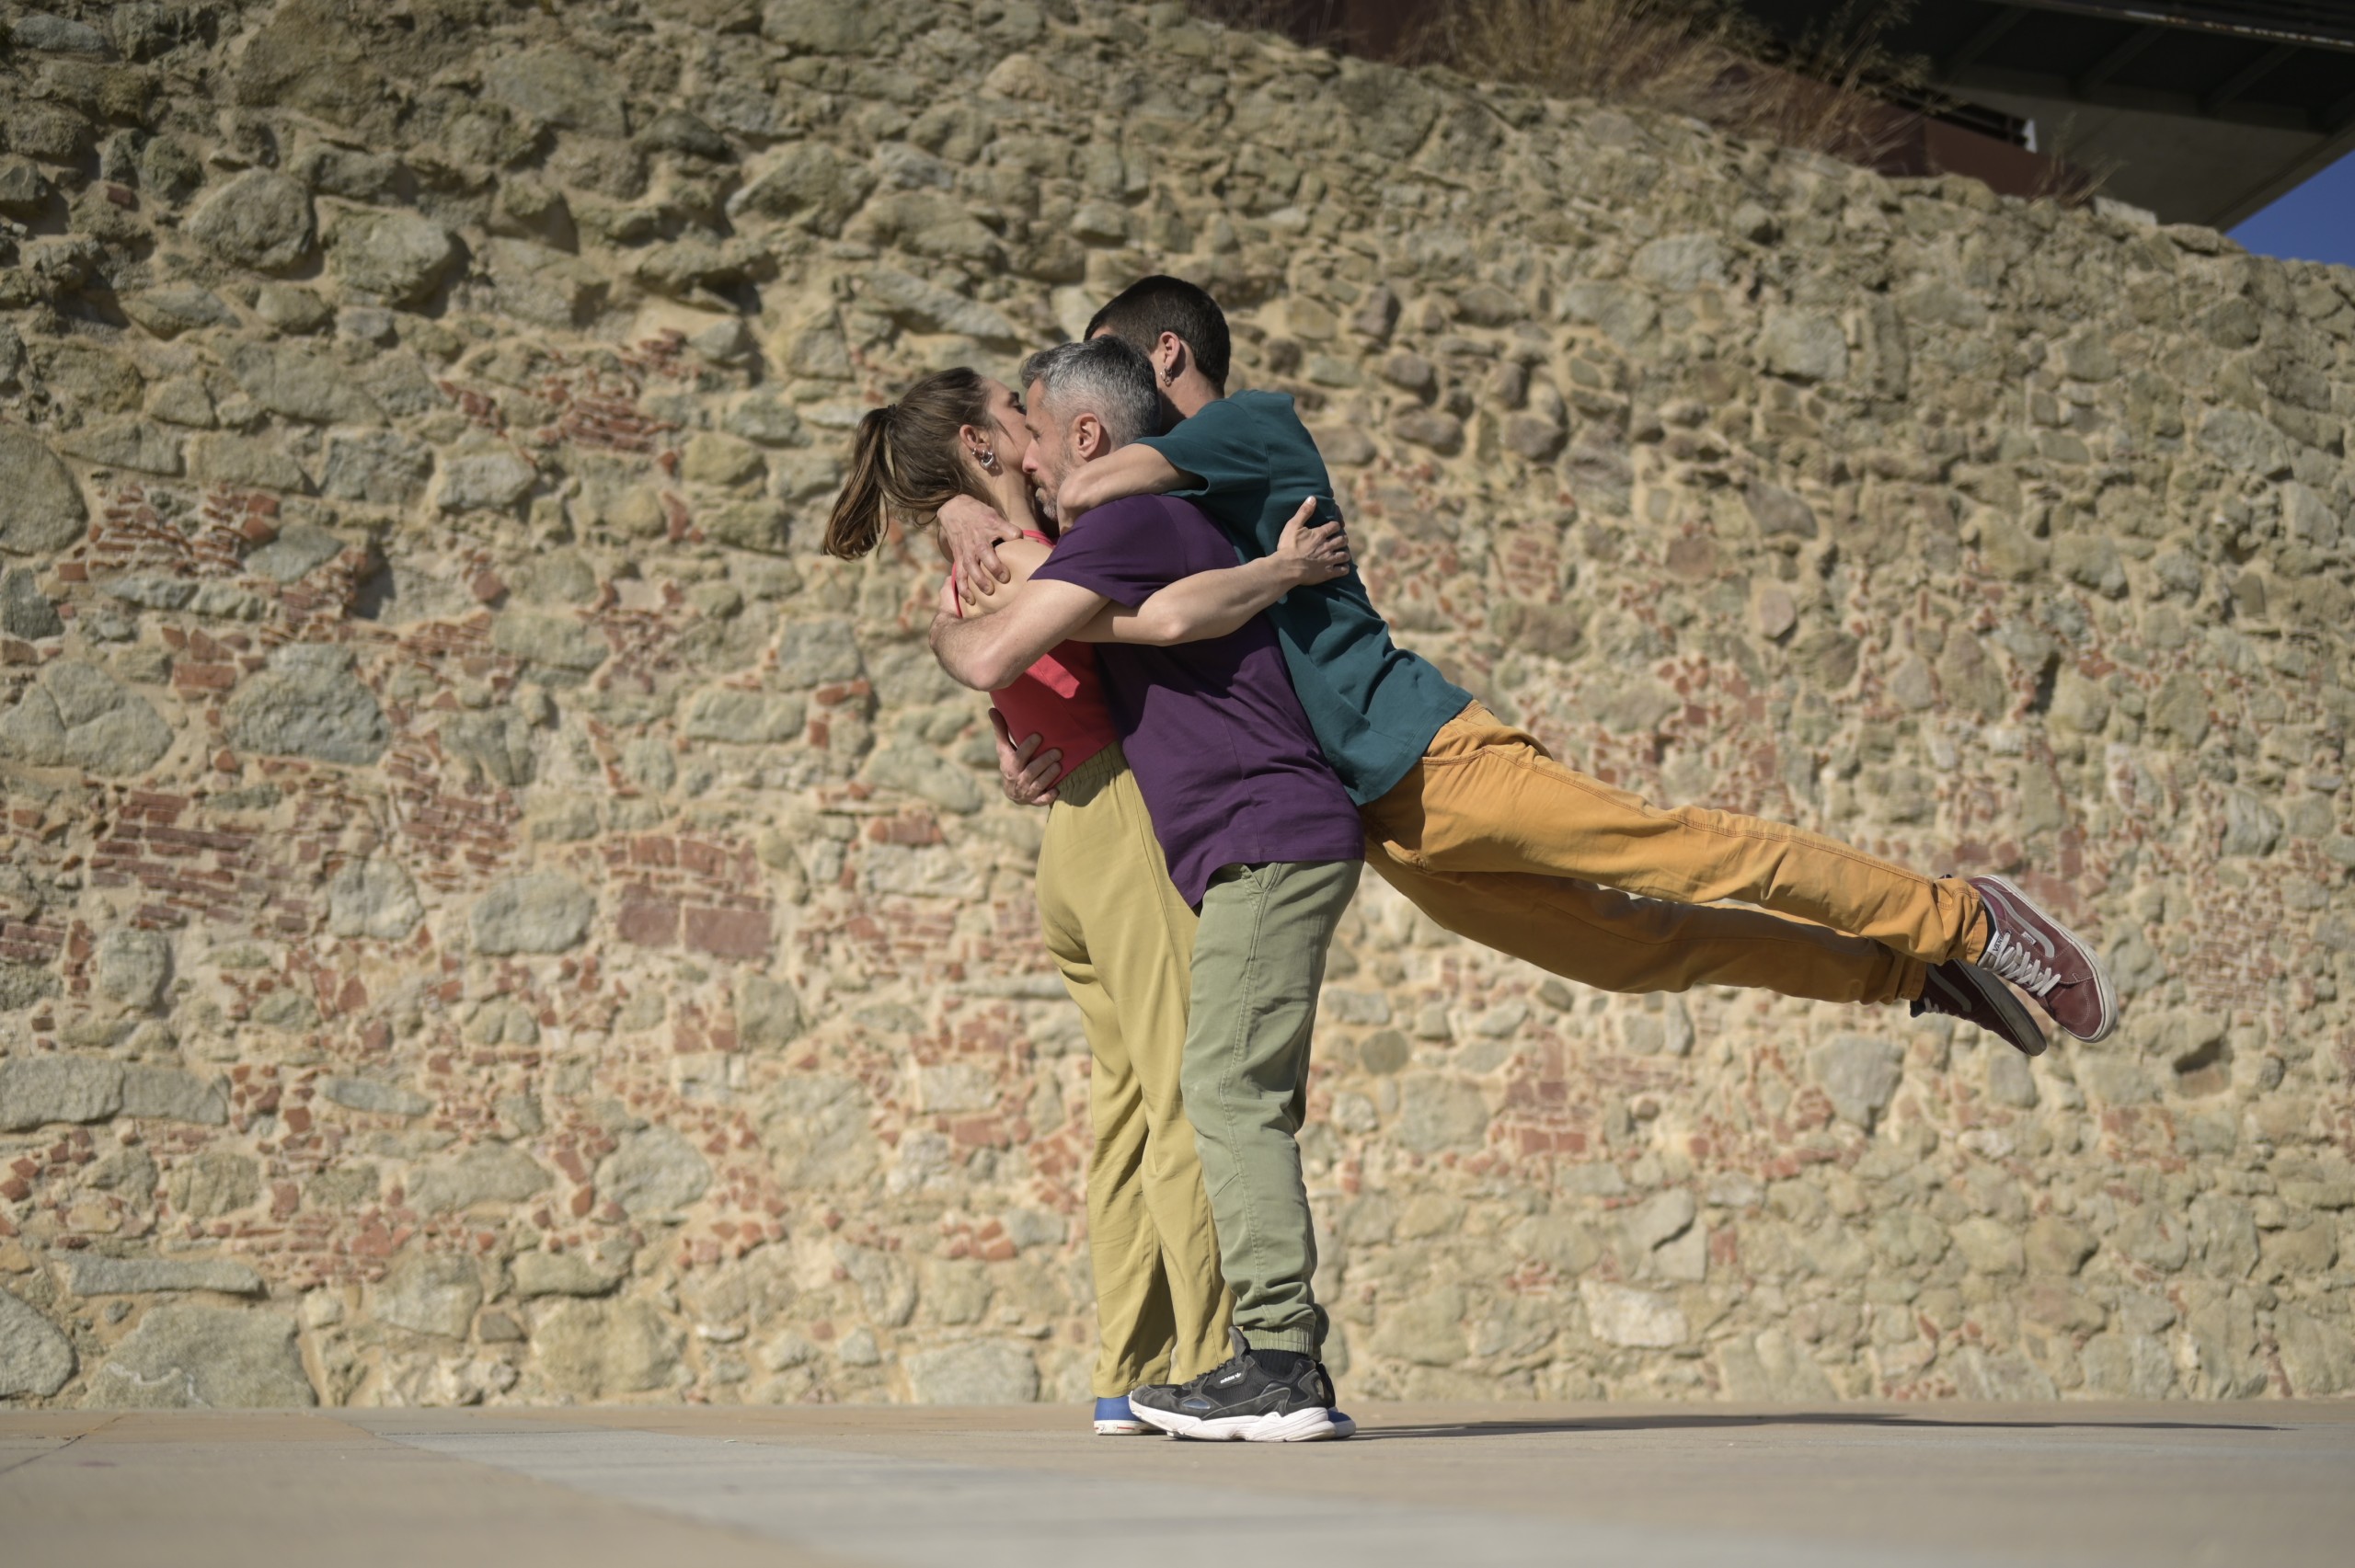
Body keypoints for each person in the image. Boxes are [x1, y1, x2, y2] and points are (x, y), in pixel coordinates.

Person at [938, 275, 2116, 1059]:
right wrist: (960, 517)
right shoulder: (1163, 517)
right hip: (1377, 819)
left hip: (1430, 754)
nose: (1060, 440)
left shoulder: (1251, 429)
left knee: (1689, 850)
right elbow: (1115, 637)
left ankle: (1965, 916)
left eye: (1087, 387)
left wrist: (1015, 495)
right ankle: (1909, 977)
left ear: (1161, 355)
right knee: (1635, 951)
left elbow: (1083, 493)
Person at [821, 367, 1350, 1435]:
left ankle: (1126, 1373)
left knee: (1123, 1111)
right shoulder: (1030, 556)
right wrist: (1278, 570)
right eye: (1011, 415)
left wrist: (962, 510)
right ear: (978, 443)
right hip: (1118, 817)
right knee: (1184, 1095)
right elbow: (1157, 622)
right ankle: (1213, 1361)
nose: (1033, 430)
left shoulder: (974, 566)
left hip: (1068, 843)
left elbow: (1009, 697)